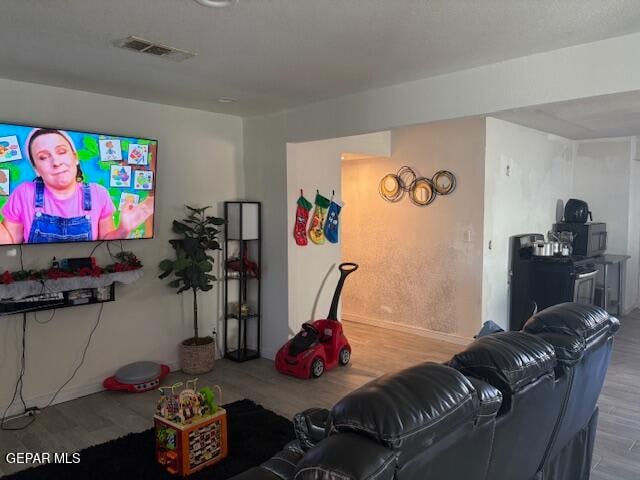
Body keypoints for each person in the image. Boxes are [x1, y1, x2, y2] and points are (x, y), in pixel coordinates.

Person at [0, 128, 154, 244]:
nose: (56, 162)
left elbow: (105, 243)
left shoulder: (98, 193)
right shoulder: (24, 193)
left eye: (61, 152)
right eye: (43, 157)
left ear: (75, 157)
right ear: (36, 169)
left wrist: (123, 230)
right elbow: (10, 244)